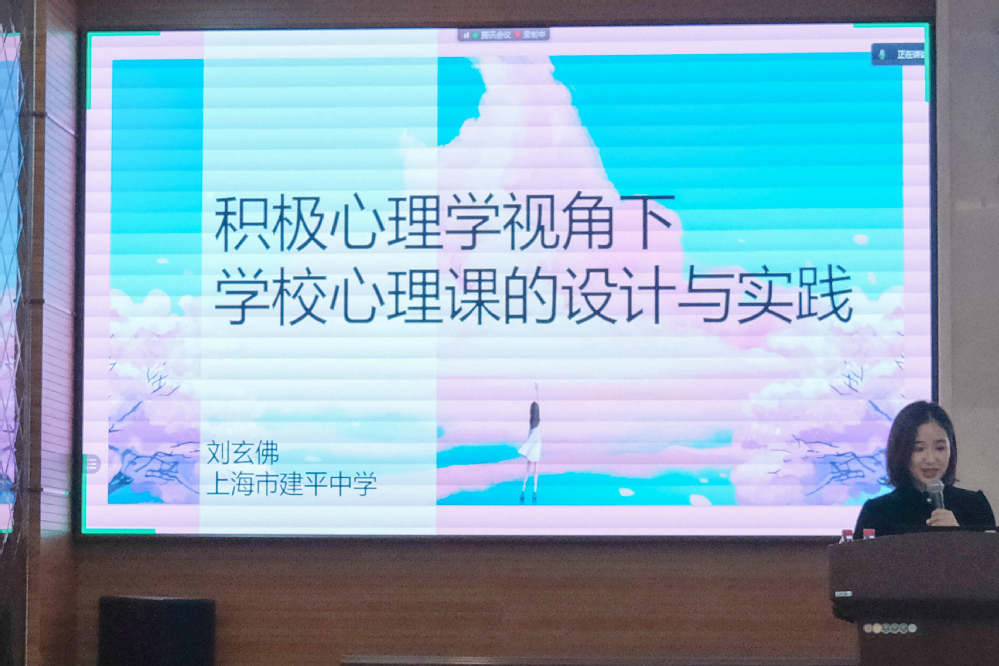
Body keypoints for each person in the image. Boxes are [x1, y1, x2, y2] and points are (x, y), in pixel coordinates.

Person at [855, 400, 995, 537]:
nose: (931, 459)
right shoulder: (877, 512)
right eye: (919, 449)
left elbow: (989, 552)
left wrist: (958, 536)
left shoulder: (975, 506)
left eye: (940, 448)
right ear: (900, 451)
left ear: (951, 450)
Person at [518, 401, 541, 504]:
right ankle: (534, 492)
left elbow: (529, 435)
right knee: (536, 471)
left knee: (528, 470)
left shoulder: (531, 422)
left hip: (531, 446)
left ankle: (523, 491)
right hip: (537, 446)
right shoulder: (539, 422)